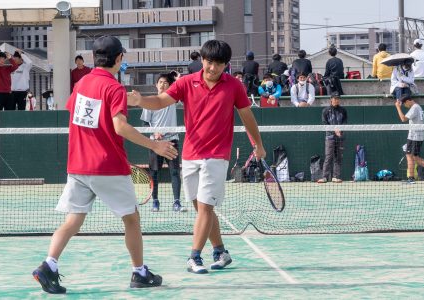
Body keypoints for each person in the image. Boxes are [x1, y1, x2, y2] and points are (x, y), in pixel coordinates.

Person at [32, 36, 173, 294]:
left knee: (73, 219)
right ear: (119, 58)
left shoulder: (82, 83)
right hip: (107, 166)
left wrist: (119, 101)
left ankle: (48, 265)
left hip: (78, 165)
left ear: (93, 58)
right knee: (131, 219)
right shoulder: (115, 88)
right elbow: (119, 126)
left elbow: (80, 113)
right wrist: (154, 145)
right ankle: (139, 272)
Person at [128, 40, 266, 274]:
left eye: (219, 64)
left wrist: (258, 145)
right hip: (190, 154)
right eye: (209, 62)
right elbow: (161, 101)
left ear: (226, 65)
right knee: (201, 207)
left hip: (217, 155)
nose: (213, 68)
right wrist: (141, 100)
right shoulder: (185, 83)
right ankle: (221, 251)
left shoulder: (234, 86)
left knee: (204, 207)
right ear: (202, 60)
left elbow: (246, 116)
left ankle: (194, 257)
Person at [140, 73, 186, 213]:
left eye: (166, 82)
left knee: (174, 172)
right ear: (156, 85)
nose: (162, 84)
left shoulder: (172, 100)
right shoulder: (149, 102)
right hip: (156, 143)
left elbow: (184, 90)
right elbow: (144, 122)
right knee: (154, 173)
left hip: (172, 140)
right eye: (160, 82)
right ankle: (155, 201)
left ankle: (177, 203)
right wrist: (154, 133)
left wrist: (179, 79)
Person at [395, 93, 424, 184]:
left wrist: (398, 107)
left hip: (416, 136)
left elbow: (403, 119)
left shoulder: (415, 107)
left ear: (407, 101)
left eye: (404, 104)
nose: (404, 106)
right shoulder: (416, 107)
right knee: (410, 156)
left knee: (414, 157)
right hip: (412, 136)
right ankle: (411, 178)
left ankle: (412, 178)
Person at [318, 93, 347, 183]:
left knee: (338, 157)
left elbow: (345, 123)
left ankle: (335, 177)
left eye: (338, 99)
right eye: (335, 98)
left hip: (340, 137)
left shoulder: (343, 110)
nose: (336, 100)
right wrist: (334, 130)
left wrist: (340, 130)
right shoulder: (325, 110)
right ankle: (324, 177)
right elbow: (325, 123)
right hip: (329, 137)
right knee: (329, 157)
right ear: (331, 99)